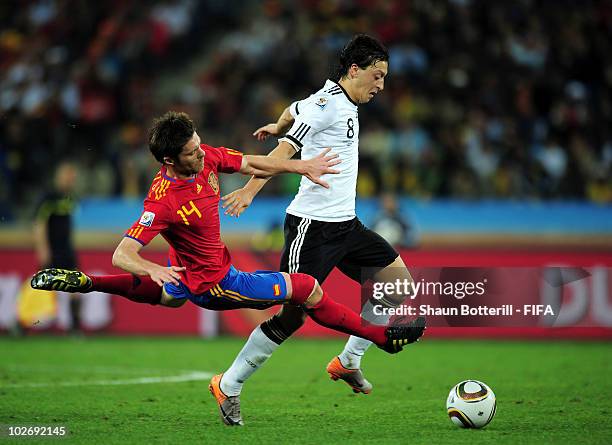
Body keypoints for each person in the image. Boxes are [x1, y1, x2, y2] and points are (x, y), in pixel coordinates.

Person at [31, 110, 425, 425]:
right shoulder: (163, 202)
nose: (201, 154)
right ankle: (379, 337)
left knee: (169, 298)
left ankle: (87, 284)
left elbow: (250, 161)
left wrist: (300, 167)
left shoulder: (205, 159)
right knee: (306, 289)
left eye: (199, 145)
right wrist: (150, 268)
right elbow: (123, 253)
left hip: (189, 270)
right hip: (216, 283)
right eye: (191, 152)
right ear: (170, 160)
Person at [218, 34, 421, 414]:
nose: (381, 86)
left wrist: (279, 125)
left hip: (347, 225)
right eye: (377, 76)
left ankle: (348, 361)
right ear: (354, 70)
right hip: (312, 229)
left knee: (397, 285)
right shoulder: (328, 105)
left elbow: (292, 111)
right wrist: (248, 191)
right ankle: (229, 384)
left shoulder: (330, 99)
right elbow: (283, 153)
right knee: (291, 316)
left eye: (385, 78)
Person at [32, 161, 82, 333]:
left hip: (66, 250)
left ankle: (74, 328)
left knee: (76, 286)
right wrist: (43, 249)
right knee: (40, 288)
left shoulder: (70, 198)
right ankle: (20, 321)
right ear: (59, 176)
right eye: (68, 176)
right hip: (52, 250)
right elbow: (39, 224)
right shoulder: (48, 198)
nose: (70, 180)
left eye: (72, 177)